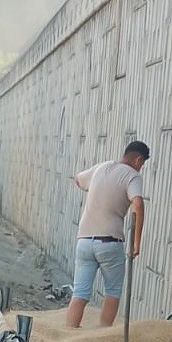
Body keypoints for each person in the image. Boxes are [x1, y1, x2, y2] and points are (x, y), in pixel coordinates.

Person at [64, 140, 149, 328]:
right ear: (138, 159)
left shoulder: (101, 167)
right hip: (109, 242)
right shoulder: (133, 176)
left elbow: (78, 179)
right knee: (113, 291)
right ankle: (101, 336)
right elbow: (138, 203)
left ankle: (69, 334)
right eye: (142, 164)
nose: (141, 168)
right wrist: (136, 243)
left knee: (80, 293)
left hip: (84, 241)